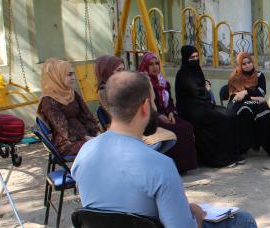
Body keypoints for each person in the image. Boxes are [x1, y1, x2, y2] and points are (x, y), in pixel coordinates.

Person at [72, 71, 257, 228]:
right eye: (153, 101)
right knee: (243, 219)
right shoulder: (159, 165)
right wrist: (197, 216)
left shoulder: (85, 153)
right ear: (145, 106)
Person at [175, 45, 240, 167]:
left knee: (230, 114)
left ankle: (233, 155)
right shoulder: (183, 74)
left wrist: (206, 87)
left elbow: (201, 88)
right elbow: (195, 92)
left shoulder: (197, 70)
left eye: (196, 57)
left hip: (204, 104)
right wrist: (206, 89)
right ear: (185, 58)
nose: (195, 59)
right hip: (191, 108)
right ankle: (219, 159)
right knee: (222, 119)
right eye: (192, 57)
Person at [139, 52, 198, 172]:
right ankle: (172, 166)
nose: (155, 67)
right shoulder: (143, 83)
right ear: (145, 66)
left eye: (157, 64)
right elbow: (145, 106)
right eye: (151, 64)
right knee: (174, 130)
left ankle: (184, 166)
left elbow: (170, 101)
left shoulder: (163, 83)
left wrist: (171, 112)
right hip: (151, 118)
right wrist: (159, 116)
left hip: (167, 114)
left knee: (187, 127)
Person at [37, 58, 100, 156]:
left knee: (108, 145)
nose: (74, 78)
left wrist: (96, 133)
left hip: (85, 137)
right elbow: (62, 129)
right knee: (98, 149)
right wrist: (87, 138)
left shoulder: (72, 93)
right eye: (69, 74)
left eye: (73, 74)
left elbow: (86, 116)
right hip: (66, 143)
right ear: (56, 76)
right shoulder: (48, 100)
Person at [227, 52, 270, 156]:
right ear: (240, 65)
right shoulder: (234, 77)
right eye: (244, 64)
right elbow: (235, 97)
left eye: (249, 62)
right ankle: (244, 146)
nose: (247, 65)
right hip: (239, 103)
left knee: (264, 111)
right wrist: (253, 95)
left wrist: (246, 92)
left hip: (253, 101)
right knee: (245, 110)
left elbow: (262, 92)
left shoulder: (259, 75)